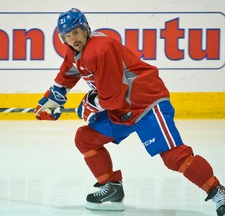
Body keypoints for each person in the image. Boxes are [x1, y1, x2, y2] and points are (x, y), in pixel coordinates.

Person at [34, 8, 225, 215]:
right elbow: (67, 75)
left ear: (86, 29)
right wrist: (50, 101)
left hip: (146, 104)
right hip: (122, 109)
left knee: (174, 157)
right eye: (67, 36)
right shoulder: (74, 51)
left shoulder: (101, 48)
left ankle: (218, 192)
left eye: (76, 32)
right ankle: (112, 187)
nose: (73, 39)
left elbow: (113, 95)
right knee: (85, 139)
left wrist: (89, 104)